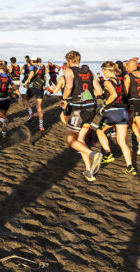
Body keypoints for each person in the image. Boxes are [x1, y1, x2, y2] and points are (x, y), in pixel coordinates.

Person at [60, 50, 104, 182]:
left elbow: (69, 86)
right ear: (79, 59)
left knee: (70, 139)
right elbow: (100, 91)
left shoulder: (69, 71)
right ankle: (89, 171)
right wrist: (85, 96)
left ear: (68, 61)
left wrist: (64, 98)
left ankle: (94, 154)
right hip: (91, 108)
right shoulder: (89, 71)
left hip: (79, 110)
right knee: (80, 139)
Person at [96, 62, 137, 175]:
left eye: (103, 71)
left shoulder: (108, 82)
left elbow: (114, 95)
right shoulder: (121, 80)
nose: (103, 74)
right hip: (123, 112)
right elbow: (123, 95)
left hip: (112, 112)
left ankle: (108, 154)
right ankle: (130, 166)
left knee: (99, 131)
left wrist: (104, 104)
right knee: (121, 141)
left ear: (106, 70)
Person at [24, 56, 47, 131]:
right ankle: (41, 126)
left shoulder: (32, 66)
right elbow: (44, 78)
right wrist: (44, 86)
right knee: (39, 108)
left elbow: (31, 74)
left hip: (32, 86)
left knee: (26, 98)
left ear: (32, 61)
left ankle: (31, 113)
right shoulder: (42, 67)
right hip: (40, 87)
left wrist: (27, 81)